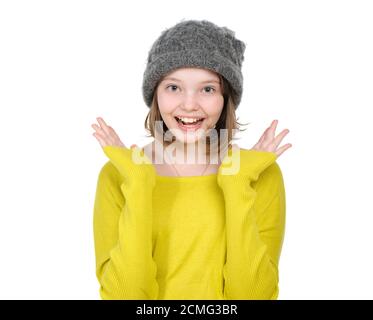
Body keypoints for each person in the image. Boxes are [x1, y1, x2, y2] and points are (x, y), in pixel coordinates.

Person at [91, 19, 292, 300]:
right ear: (155, 94)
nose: (188, 104)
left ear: (226, 98)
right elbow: (125, 298)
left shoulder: (259, 174)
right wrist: (138, 182)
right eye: (173, 87)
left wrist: (237, 183)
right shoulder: (119, 174)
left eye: (207, 89)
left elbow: (252, 297)